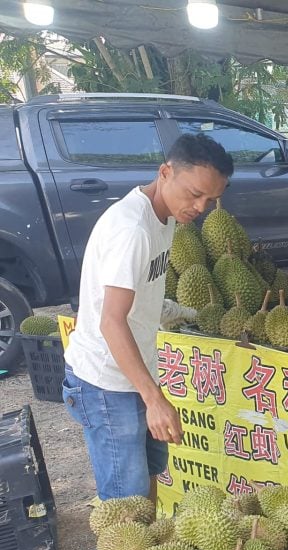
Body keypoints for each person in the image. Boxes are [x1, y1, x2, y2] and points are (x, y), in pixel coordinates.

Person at [63, 134, 234, 502]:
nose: (201, 206)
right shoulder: (133, 230)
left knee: (148, 480)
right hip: (106, 383)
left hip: (135, 374)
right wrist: (153, 398)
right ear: (165, 172)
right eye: (194, 194)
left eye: (210, 199)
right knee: (127, 505)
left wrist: (181, 313)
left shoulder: (167, 216)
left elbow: (144, 294)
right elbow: (111, 321)